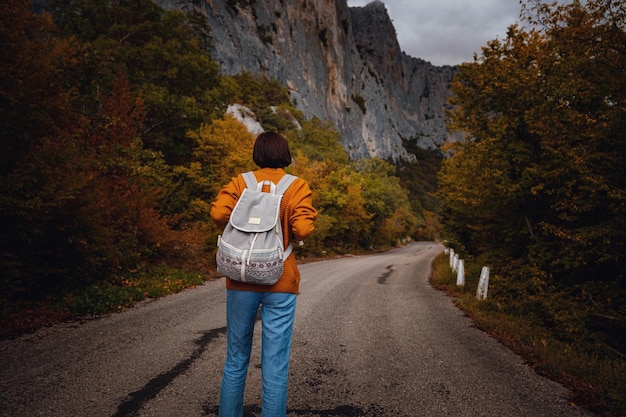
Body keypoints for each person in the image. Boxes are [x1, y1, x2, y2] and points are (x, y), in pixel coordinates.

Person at [210, 132, 317, 417]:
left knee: (235, 358)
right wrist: (291, 226)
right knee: (275, 364)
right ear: (285, 154)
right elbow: (304, 230)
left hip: (240, 278)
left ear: (257, 153)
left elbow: (219, 215)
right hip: (280, 280)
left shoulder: (241, 182)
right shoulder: (296, 187)